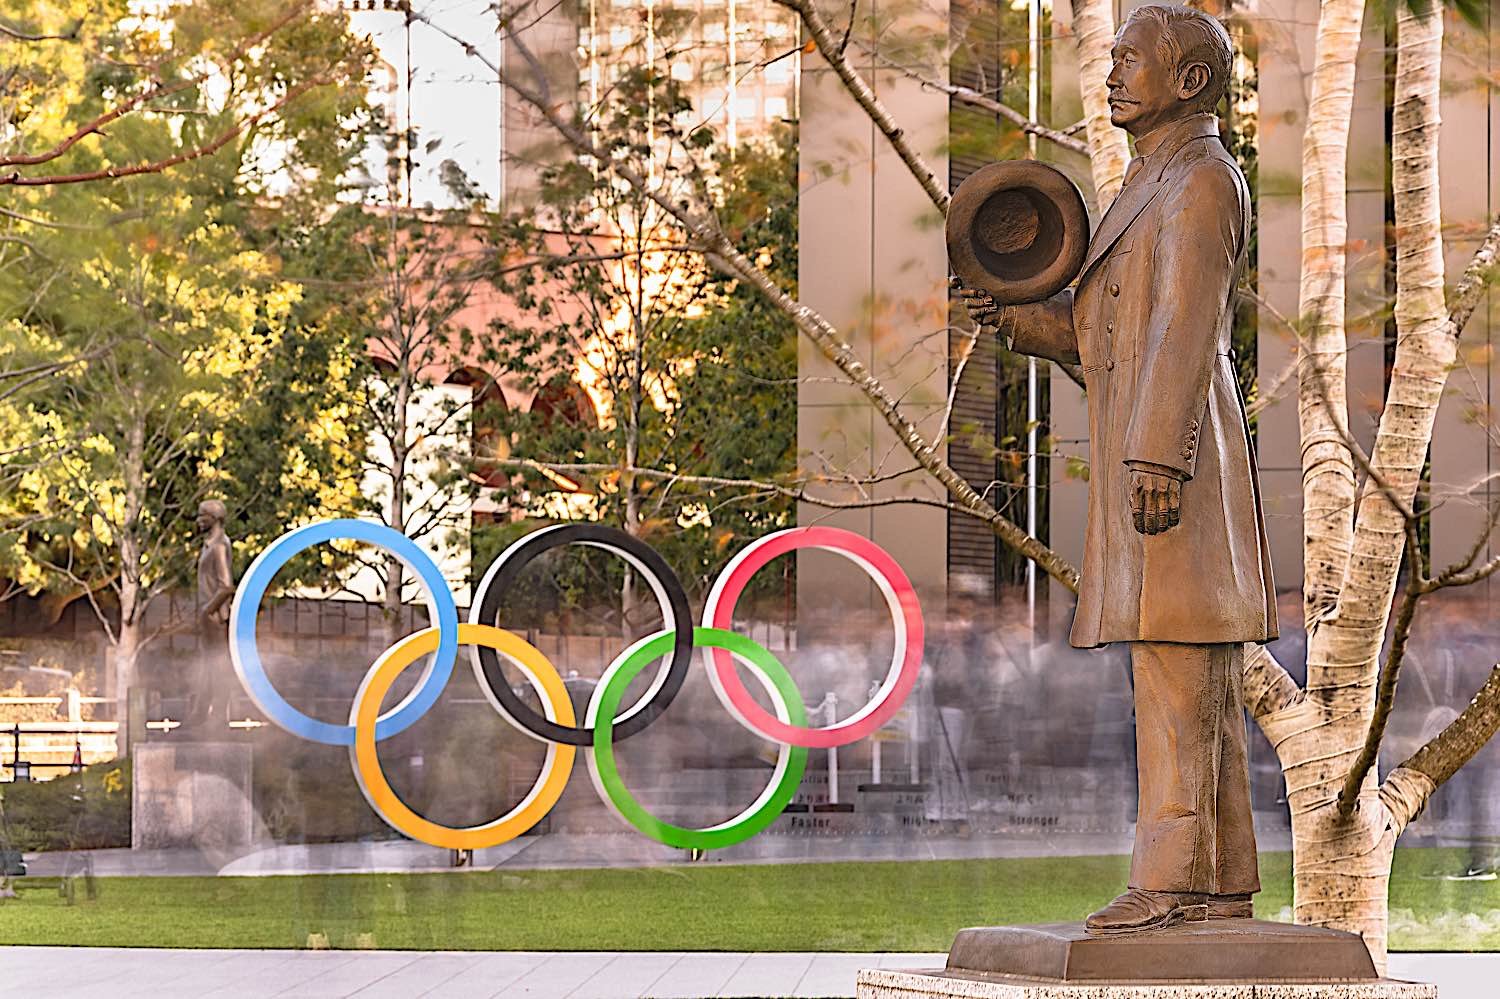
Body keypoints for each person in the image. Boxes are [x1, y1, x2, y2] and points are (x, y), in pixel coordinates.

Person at [957, 4, 1277, 932]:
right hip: (1160, 455)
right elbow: (1116, 337)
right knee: (1189, 681)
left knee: (1177, 679)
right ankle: (1218, 884)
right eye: (1112, 59)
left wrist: (1153, 456)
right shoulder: (1153, 179)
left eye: (1131, 60)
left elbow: (1185, 326)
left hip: (1174, 464)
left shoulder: (1204, 180)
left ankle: (1172, 880)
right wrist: (1018, 319)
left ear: (1191, 81)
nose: (1111, 75)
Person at [193, 499, 237, 728]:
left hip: (216, 618)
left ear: (215, 518)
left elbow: (226, 586)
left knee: (217, 668)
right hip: (208, 617)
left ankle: (217, 717)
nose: (198, 520)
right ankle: (200, 715)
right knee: (207, 667)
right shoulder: (209, 544)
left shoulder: (219, 545)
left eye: (202, 515)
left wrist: (206, 610)